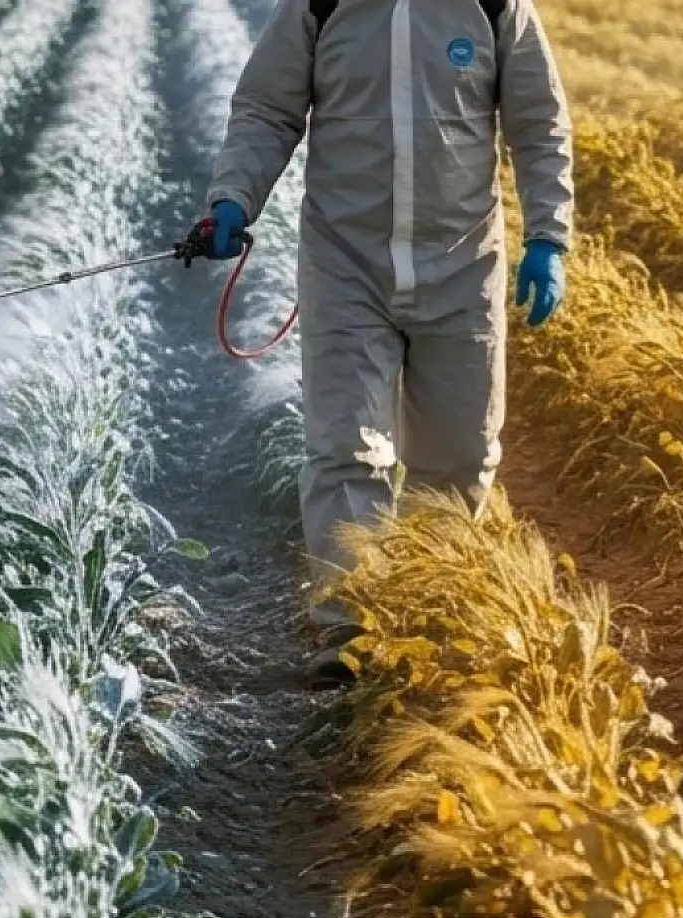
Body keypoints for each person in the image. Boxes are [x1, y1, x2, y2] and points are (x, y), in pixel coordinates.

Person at [196, 0, 574, 687]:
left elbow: (539, 122)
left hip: (463, 265)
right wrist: (233, 199)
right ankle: (351, 629)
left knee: (458, 454)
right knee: (347, 446)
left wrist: (548, 237)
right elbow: (266, 109)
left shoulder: (494, 8)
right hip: (347, 265)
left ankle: (429, 614)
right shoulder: (322, 4)